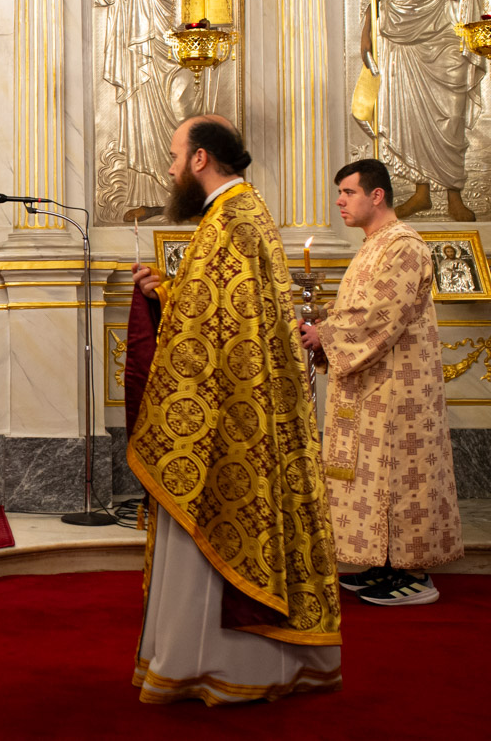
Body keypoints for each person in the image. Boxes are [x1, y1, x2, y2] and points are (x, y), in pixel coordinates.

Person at [127, 115, 341, 704]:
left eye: (175, 156)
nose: (171, 168)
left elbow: (214, 330)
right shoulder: (241, 213)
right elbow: (219, 314)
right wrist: (164, 294)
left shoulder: (230, 221)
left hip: (229, 419)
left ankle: (219, 668)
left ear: (200, 159)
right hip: (246, 404)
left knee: (211, 530)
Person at [299, 159, 464, 604]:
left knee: (401, 478)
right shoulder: (374, 244)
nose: (339, 201)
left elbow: (380, 313)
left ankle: (414, 575)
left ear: (377, 196)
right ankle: (383, 564)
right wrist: (323, 327)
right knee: (374, 479)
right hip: (372, 386)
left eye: (348, 192)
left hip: (398, 391)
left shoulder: (403, 245)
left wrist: (324, 335)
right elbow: (359, 307)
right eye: (339, 193)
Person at [362, 0, 484, 222]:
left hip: (447, 42)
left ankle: (454, 196)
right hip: (401, 45)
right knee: (410, 121)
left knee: (450, 119)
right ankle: (420, 194)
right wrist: (366, 33)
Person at [95, 0, 219, 222]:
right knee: (145, 128)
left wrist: (204, 21)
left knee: (184, 116)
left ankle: (190, 200)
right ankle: (153, 201)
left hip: (183, 53)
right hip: (145, 53)